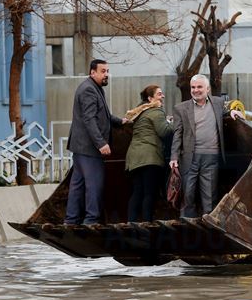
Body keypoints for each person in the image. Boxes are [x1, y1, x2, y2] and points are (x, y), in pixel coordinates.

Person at [169, 74, 243, 218]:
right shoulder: (181, 108)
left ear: (207, 89)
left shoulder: (218, 103)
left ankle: (208, 224)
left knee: (209, 195)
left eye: (199, 87)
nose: (195, 90)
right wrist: (174, 157)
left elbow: (226, 111)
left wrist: (232, 111)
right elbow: (177, 134)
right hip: (189, 158)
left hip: (211, 157)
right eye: (193, 87)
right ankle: (186, 225)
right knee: (187, 194)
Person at [64, 59, 127, 225]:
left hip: (82, 147)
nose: (106, 74)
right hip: (88, 148)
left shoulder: (95, 88)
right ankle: (91, 221)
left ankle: (71, 221)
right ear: (93, 72)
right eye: (103, 71)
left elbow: (104, 115)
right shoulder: (88, 90)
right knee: (94, 185)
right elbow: (89, 119)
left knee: (78, 185)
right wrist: (101, 143)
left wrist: (121, 121)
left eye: (107, 71)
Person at [124, 84, 173, 222]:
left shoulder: (140, 112)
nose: (162, 96)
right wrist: (176, 123)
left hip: (134, 157)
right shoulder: (156, 111)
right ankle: (147, 223)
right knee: (149, 193)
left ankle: (131, 222)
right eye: (159, 94)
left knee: (137, 191)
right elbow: (164, 131)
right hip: (149, 157)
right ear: (150, 98)